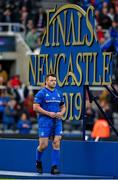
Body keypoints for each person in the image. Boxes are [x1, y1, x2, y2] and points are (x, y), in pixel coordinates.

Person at [33, 74, 66, 174]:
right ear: (46, 82)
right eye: (51, 80)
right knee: (43, 145)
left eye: (55, 80)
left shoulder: (59, 93)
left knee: (56, 142)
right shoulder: (41, 93)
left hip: (57, 121)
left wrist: (61, 113)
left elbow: (63, 106)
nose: (54, 82)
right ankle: (38, 162)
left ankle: (54, 167)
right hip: (45, 122)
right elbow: (35, 107)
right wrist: (48, 113)